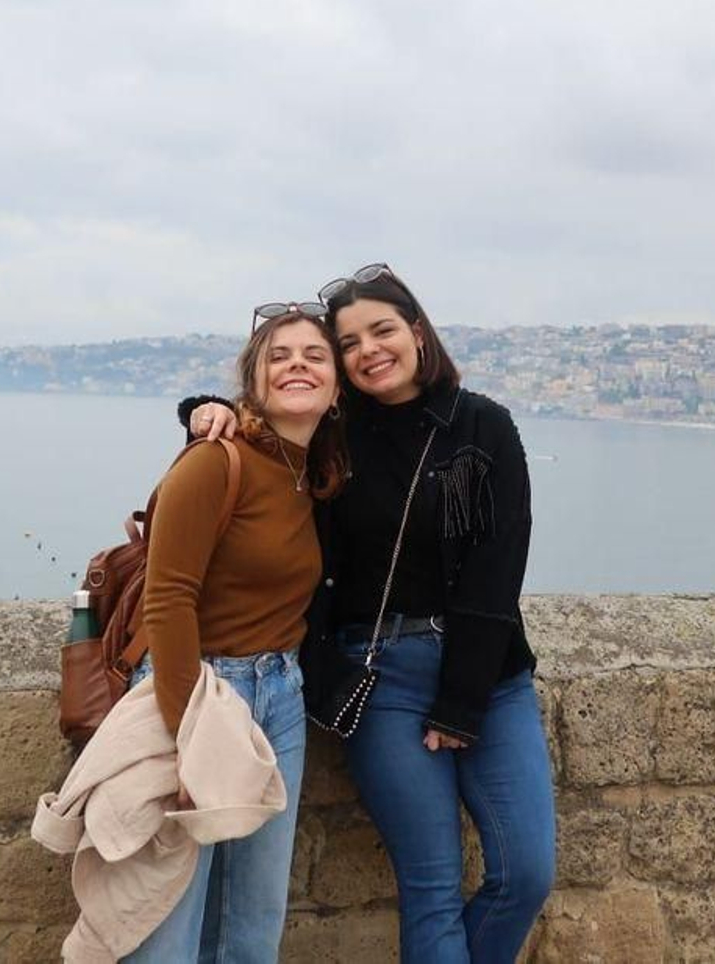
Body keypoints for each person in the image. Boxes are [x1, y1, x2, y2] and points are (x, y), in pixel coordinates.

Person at [185, 265, 555, 963]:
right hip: (380, 679)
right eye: (349, 341)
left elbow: (499, 564)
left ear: (417, 332)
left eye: (382, 329)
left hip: (490, 680)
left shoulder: (483, 426)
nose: (367, 349)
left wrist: (462, 702)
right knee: (433, 887)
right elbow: (263, 431)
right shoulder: (335, 432)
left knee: (525, 873)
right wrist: (204, 409)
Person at [126, 305, 346, 963]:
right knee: (165, 927)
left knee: (251, 929)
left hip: (279, 697)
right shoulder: (215, 464)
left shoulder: (318, 475)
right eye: (279, 354)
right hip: (197, 690)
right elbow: (167, 599)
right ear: (253, 379)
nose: (299, 363)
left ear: (338, 385)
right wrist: (188, 732)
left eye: (315, 353)